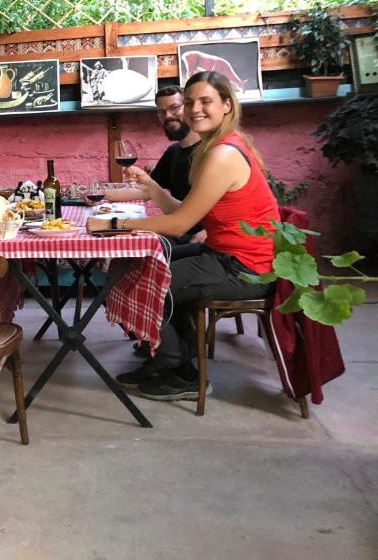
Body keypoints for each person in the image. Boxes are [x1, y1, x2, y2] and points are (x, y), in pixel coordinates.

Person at [86, 71, 279, 401]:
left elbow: (178, 225)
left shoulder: (222, 154)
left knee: (149, 279)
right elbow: (186, 210)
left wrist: (113, 226)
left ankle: (182, 371)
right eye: (190, 102)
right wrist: (152, 189)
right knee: (139, 265)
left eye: (206, 101)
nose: (195, 109)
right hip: (225, 253)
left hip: (244, 267)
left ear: (227, 106)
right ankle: (169, 357)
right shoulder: (216, 146)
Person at [105, 85, 205, 245]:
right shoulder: (173, 152)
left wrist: (209, 231)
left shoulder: (210, 152)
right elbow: (146, 191)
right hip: (178, 231)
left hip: (200, 237)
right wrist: (100, 194)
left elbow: (231, 203)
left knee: (138, 253)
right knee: (129, 249)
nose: (168, 116)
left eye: (174, 108)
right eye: (161, 112)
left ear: (189, 108)